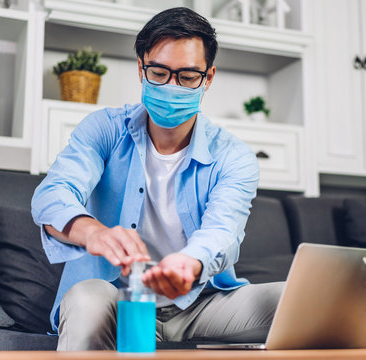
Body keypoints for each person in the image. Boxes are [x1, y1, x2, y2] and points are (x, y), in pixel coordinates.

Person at [31, 7, 284, 351]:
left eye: (188, 76)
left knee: (300, 300)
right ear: (141, 68)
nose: (172, 87)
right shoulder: (104, 129)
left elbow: (222, 231)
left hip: (199, 304)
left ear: (208, 78)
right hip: (117, 300)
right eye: (160, 72)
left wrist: (190, 263)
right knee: (86, 300)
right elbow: (52, 196)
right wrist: (95, 233)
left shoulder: (233, 156)